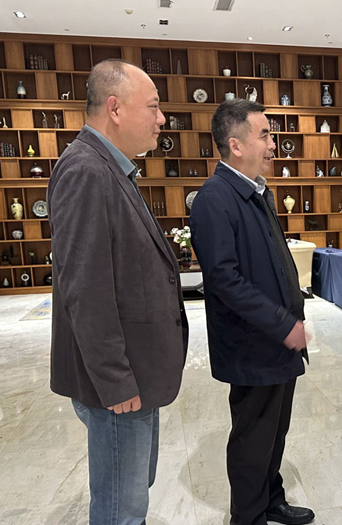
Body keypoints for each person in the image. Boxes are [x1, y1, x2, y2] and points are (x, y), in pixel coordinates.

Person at [47, 59, 188, 524]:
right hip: (119, 382)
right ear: (115, 108)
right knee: (120, 510)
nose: (161, 118)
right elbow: (85, 287)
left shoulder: (109, 167)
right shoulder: (86, 170)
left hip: (136, 371)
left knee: (132, 495)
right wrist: (114, 379)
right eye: (153, 106)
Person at [190, 99, 314, 525]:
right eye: (264, 135)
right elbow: (223, 279)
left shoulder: (259, 193)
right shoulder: (214, 199)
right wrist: (283, 324)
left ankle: (270, 499)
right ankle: (247, 516)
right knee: (252, 437)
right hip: (252, 345)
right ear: (236, 145)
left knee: (275, 430)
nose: (273, 144)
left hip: (278, 341)